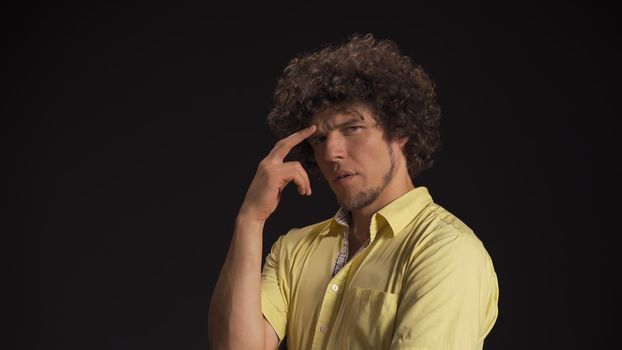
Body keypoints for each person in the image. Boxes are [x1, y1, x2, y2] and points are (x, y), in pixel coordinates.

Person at [208, 33, 498, 350]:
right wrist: (250, 219)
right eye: (319, 139)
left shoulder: (445, 251)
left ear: (400, 130)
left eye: (352, 128)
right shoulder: (294, 250)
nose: (332, 152)